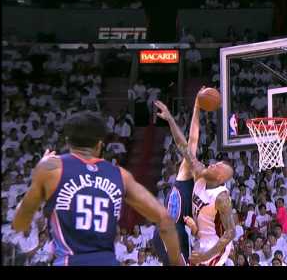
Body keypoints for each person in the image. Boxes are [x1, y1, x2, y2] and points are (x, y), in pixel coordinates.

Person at [12, 111, 183, 266]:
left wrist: (38, 175)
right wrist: (175, 262)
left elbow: (20, 222)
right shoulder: (121, 176)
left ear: (67, 142)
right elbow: (165, 219)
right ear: (100, 144)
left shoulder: (50, 169)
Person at [155, 98, 236, 266]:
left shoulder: (221, 197)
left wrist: (206, 255)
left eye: (218, 167)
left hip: (212, 247)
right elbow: (186, 144)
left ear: (221, 178)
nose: (213, 164)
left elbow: (230, 233)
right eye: (216, 163)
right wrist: (173, 118)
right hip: (180, 233)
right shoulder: (198, 174)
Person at [152, 89, 203, 265]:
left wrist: (195, 230)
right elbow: (189, 142)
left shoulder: (206, 193)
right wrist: (196, 107)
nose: (200, 164)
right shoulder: (187, 173)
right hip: (167, 229)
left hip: (179, 233)